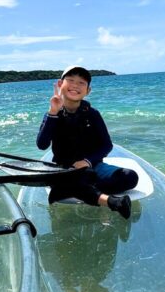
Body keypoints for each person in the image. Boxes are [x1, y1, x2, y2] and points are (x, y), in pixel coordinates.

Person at [36, 66, 139, 219]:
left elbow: (106, 145)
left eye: (81, 83)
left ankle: (68, 190)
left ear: (88, 91)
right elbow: (42, 145)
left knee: (130, 176)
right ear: (60, 84)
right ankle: (111, 201)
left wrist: (87, 161)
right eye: (70, 80)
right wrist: (53, 112)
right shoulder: (52, 114)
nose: (75, 85)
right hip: (65, 169)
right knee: (78, 178)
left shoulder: (93, 114)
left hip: (93, 166)